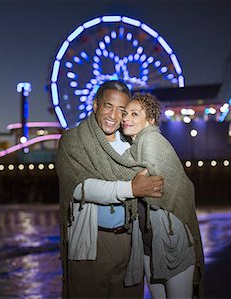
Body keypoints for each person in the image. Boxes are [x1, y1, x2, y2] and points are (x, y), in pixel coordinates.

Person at [56, 80, 165, 298]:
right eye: (108, 106)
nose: (114, 115)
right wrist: (132, 189)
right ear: (95, 105)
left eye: (122, 110)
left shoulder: (134, 144)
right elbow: (80, 188)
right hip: (92, 241)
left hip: (130, 240)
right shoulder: (72, 141)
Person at [121, 92, 205, 298]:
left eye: (134, 114)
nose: (125, 118)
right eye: (125, 113)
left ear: (149, 120)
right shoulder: (135, 147)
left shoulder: (151, 141)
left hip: (170, 236)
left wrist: (129, 185)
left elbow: (152, 187)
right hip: (151, 238)